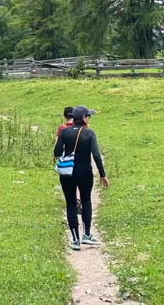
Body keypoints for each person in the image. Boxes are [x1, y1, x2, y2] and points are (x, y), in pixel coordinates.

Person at [53, 105, 109, 251]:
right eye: (88, 116)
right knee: (86, 200)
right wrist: (102, 175)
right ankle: (87, 234)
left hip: (67, 174)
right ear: (83, 118)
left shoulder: (64, 132)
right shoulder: (89, 133)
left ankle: (75, 240)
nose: (89, 118)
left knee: (71, 204)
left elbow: (57, 151)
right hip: (85, 172)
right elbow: (96, 155)